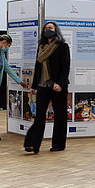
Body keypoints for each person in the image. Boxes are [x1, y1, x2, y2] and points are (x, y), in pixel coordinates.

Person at [24, 22, 71, 154]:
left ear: (56, 30)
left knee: (60, 116)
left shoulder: (62, 46)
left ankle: (58, 144)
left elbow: (65, 67)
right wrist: (33, 86)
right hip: (42, 86)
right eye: (45, 28)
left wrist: (60, 84)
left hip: (57, 86)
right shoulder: (41, 47)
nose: (47, 30)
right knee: (39, 116)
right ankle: (33, 144)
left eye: (50, 28)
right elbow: (37, 67)